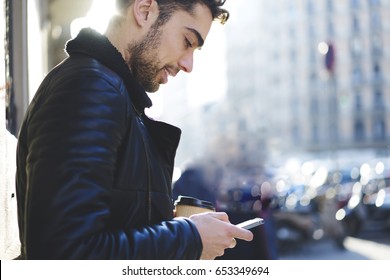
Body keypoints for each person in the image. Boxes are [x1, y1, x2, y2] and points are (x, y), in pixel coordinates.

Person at [14, 0, 253, 260]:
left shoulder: (115, 95)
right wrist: (189, 238)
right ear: (145, 10)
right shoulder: (91, 88)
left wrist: (166, 221)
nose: (188, 64)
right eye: (187, 41)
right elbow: (65, 253)